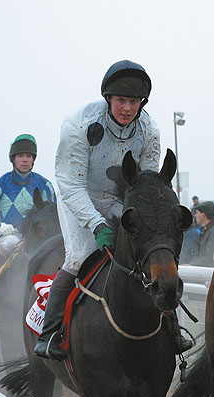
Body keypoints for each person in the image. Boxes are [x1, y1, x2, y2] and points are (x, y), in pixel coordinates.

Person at [34, 59, 191, 360]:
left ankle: (172, 328)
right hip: (78, 195)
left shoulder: (149, 130)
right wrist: (97, 224)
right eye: (121, 100)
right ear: (109, 98)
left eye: (134, 101)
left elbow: (146, 188)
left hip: (120, 198)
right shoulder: (79, 123)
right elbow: (71, 184)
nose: (128, 109)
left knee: (148, 255)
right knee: (79, 256)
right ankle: (50, 332)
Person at [0, 136, 56, 297]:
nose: (25, 160)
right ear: (13, 159)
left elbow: (54, 216)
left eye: (29, 156)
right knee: (9, 243)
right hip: (12, 235)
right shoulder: (1, 183)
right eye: (20, 156)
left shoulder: (45, 185)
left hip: (40, 237)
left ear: (33, 159)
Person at [187, 201, 214, 267]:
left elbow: (211, 258)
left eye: (197, 213)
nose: (195, 215)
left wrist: (191, 265)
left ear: (203, 215)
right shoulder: (207, 230)